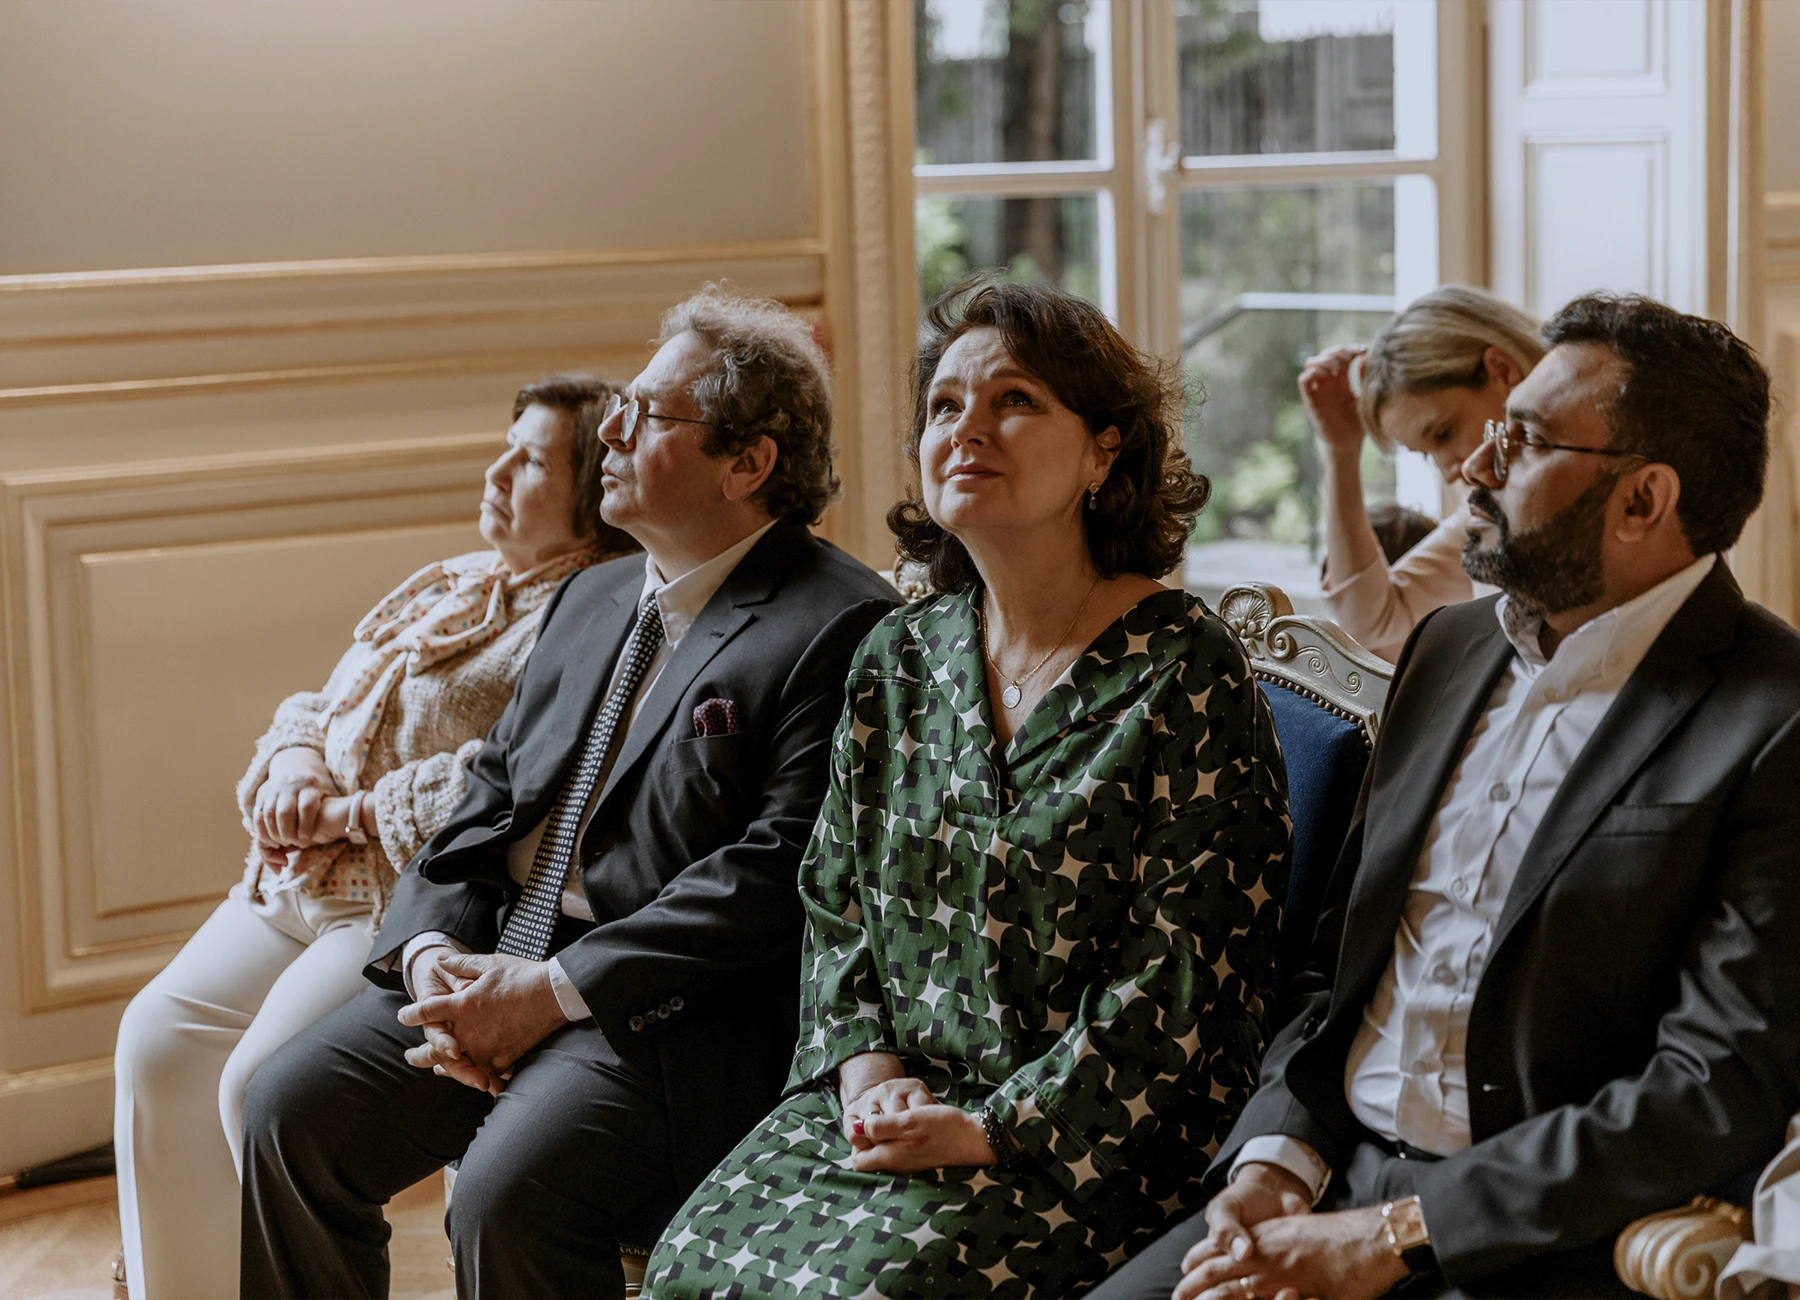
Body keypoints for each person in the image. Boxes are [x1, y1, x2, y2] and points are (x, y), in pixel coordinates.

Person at [1089, 293, 1800, 1300]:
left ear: (1643, 501)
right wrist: (1272, 1164)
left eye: (1526, 442)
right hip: (1326, 1184)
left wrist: (1397, 1236)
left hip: (1527, 1244)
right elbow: (1332, 969)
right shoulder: (1448, 649)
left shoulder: (1774, 718)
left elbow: (1714, 1085)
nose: (1475, 468)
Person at [237, 287, 899, 1300]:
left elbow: (772, 876)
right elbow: (489, 793)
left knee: (504, 1194)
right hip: (491, 952)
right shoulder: (593, 594)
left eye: (649, 415)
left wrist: (548, 993)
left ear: (748, 463)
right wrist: (430, 954)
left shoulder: (840, 623)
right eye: (619, 407)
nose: (613, 434)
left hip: (654, 1016)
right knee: (288, 1112)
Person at [647, 279, 1291, 1299]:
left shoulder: (1186, 671)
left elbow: (1182, 982)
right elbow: (836, 905)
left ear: (1104, 452)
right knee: (688, 1264)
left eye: (1014, 400)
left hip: (1090, 1143)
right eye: (945, 405)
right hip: (885, 1104)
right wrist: (870, 1078)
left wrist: (993, 1128)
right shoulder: (898, 654)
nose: (967, 428)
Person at [110, 374, 634, 1299]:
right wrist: (293, 767)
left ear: (591, 493)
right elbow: (326, 698)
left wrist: (348, 814)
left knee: (256, 1084)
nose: (497, 472)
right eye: (504, 446)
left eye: (531, 462)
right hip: (298, 879)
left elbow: (518, 779)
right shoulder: (453, 580)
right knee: (155, 1039)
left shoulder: (594, 612)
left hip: (400, 900)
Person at [1306, 286, 1544, 662]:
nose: (1450, 473)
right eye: (1426, 455)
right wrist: (1342, 451)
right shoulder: (1489, 513)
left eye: (1444, 433)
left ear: (1502, 370)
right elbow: (1371, 632)